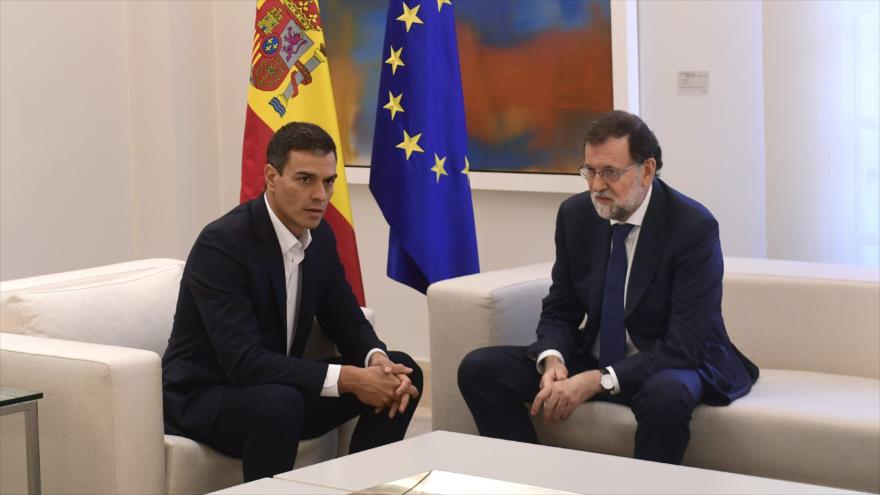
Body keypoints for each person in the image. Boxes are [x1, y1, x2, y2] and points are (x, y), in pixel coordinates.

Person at [458, 110, 758, 464]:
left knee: (667, 397)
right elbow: (562, 306)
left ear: (646, 170)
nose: (597, 185)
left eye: (610, 173)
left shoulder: (692, 227)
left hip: (667, 362)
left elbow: (685, 344)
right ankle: (531, 479)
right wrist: (552, 358)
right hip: (595, 355)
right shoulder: (576, 215)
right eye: (590, 171)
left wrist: (596, 381)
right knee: (479, 368)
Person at [162, 122, 421, 481]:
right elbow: (243, 363)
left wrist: (378, 362)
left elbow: (346, 322)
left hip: (277, 389)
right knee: (279, 403)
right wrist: (348, 378)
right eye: (305, 180)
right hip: (207, 397)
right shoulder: (223, 245)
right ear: (271, 176)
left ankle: (363, 488)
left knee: (406, 372)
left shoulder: (320, 236)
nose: (320, 195)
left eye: (328, 181)